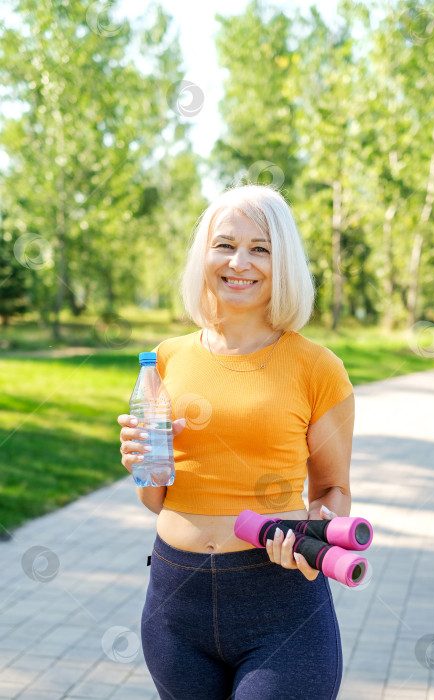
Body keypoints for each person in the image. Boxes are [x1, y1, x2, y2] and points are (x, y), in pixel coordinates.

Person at [118, 185, 355, 700]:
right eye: (224, 244)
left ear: (283, 261)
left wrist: (319, 527)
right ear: (204, 255)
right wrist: (143, 465)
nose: (239, 262)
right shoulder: (165, 359)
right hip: (175, 605)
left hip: (279, 603)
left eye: (260, 248)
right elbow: (156, 497)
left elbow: (335, 488)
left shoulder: (318, 368)